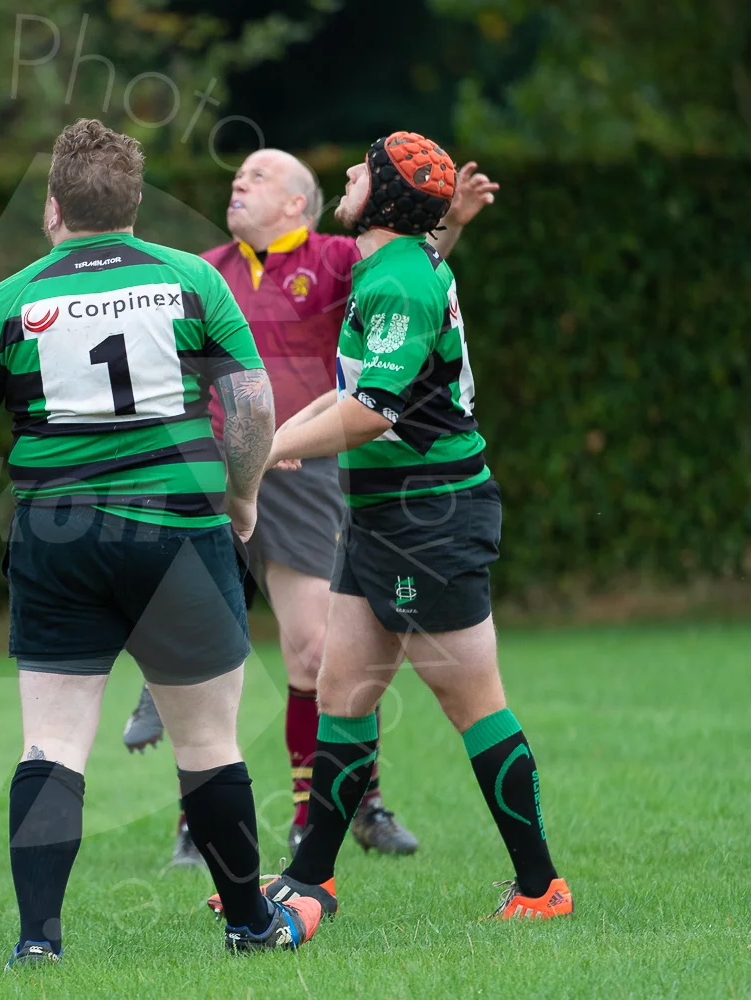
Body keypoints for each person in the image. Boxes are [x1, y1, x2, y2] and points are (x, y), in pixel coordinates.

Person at [0, 118, 322, 962]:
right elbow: (250, 405)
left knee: (53, 742)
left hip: (59, 534)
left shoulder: (9, 300)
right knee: (207, 741)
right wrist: (242, 497)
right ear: (136, 202)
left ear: (53, 208)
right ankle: (249, 923)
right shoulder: (190, 282)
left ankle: (38, 943)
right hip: (176, 526)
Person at [124, 145, 498, 866]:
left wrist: (452, 225)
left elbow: (404, 290)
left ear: (297, 202)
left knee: (319, 652)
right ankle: (196, 820)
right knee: (194, 647)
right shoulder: (206, 271)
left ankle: (341, 811)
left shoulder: (333, 256)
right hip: (217, 470)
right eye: (237, 175)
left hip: (303, 475)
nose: (240, 182)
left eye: (257, 176)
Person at [258, 131, 572, 921]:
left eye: (363, 170)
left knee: (474, 704)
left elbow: (368, 415)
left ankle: (541, 890)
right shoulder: (390, 267)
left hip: (428, 516)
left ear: (386, 199)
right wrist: (276, 443)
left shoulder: (398, 280)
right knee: (343, 694)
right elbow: (352, 393)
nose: (349, 175)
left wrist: (263, 450)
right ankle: (310, 880)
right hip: (382, 518)